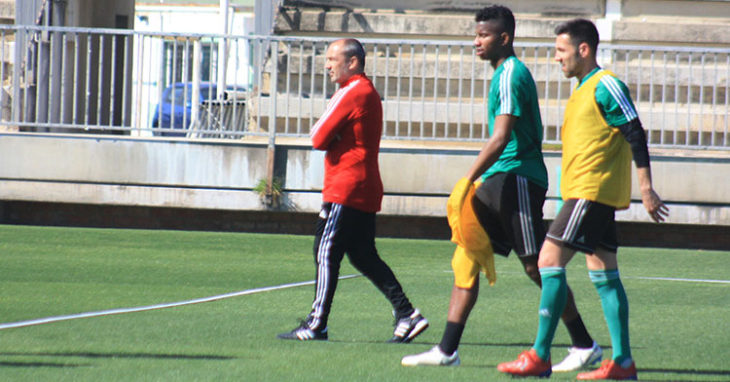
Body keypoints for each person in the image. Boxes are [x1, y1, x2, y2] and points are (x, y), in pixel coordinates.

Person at [402, 6, 601, 370]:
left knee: (537, 266)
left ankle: (584, 344)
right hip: (499, 179)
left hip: (519, 179)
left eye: (484, 35)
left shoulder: (511, 73)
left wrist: (465, 181)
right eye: (476, 34)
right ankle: (446, 350)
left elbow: (500, 138)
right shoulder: (501, 73)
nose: (476, 41)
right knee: (467, 255)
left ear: (504, 38)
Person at [497, 18, 669, 379]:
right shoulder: (581, 90)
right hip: (583, 194)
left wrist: (646, 188)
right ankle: (622, 362)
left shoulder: (606, 84)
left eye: (561, 51)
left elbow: (635, 133)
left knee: (548, 260)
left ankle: (540, 354)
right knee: (604, 272)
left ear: (583, 49)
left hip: (591, 192)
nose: (557, 58)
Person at [277, 38, 428, 343]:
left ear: (353, 63)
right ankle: (407, 314)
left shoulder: (353, 91)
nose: (327, 64)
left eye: (333, 59)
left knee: (326, 250)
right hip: (363, 185)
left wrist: (330, 135)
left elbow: (318, 137)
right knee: (363, 255)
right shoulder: (364, 91)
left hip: (346, 187)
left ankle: (316, 323)